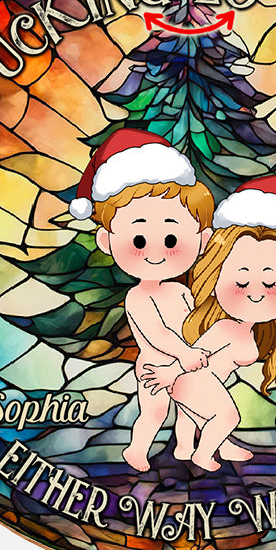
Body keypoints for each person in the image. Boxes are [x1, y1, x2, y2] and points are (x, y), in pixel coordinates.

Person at [69, 127, 243, 471]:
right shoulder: (137, 296)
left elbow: (193, 323)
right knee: (155, 411)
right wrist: (184, 353)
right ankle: (136, 449)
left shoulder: (181, 291)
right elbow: (157, 333)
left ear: (202, 239)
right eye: (138, 240)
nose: (154, 252)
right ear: (106, 241)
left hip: (185, 363)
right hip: (153, 367)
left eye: (171, 238)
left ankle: (201, 446)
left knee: (198, 406)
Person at [141, 176, 276, 471]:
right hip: (189, 381)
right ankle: (203, 455)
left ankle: (187, 447)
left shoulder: (248, 329)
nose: (255, 293)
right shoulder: (226, 328)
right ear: (214, 280)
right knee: (228, 416)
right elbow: (196, 354)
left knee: (202, 414)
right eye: (241, 282)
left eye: (270, 283)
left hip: (197, 386)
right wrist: (170, 373)